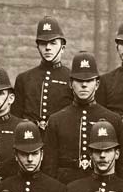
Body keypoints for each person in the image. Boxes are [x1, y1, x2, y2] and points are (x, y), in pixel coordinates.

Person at [43, 52, 115, 182]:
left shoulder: (112, 120)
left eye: (89, 81)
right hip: (64, 183)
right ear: (70, 84)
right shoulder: (56, 120)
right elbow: (49, 165)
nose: (84, 85)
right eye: (79, 80)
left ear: (97, 84)